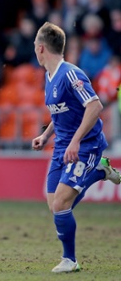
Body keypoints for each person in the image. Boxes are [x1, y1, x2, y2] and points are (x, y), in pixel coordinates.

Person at [31, 22, 121, 273]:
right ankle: (99, 172)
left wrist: (75, 141)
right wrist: (46, 134)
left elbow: (94, 106)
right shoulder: (49, 78)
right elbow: (61, 113)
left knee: (61, 205)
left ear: (40, 49)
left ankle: (70, 260)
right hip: (62, 146)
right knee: (54, 205)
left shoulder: (71, 73)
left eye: (35, 48)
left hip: (85, 146)